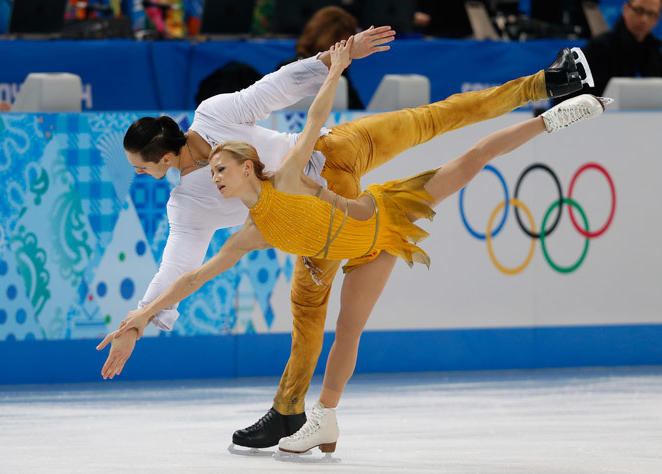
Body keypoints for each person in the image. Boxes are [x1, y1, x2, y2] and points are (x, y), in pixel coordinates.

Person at [107, 39, 607, 455]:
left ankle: (551, 84)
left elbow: (276, 90)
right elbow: (184, 269)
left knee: (311, 306)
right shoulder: (191, 204)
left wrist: (332, 60)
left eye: (140, 166)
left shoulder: (216, 121)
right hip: (325, 179)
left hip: (325, 174)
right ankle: (308, 413)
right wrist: (139, 320)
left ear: (166, 155)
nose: (140, 175)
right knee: (332, 313)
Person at [276, 5, 364, 109]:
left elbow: (356, 111)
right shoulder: (288, 68)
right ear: (325, 39)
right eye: (341, 45)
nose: (344, 51)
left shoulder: (342, 74)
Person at [572, 0, 661, 98]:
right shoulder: (598, 48)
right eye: (639, 10)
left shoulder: (656, 53)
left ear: (657, 19)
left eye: (651, 14)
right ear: (626, 9)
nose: (644, 19)